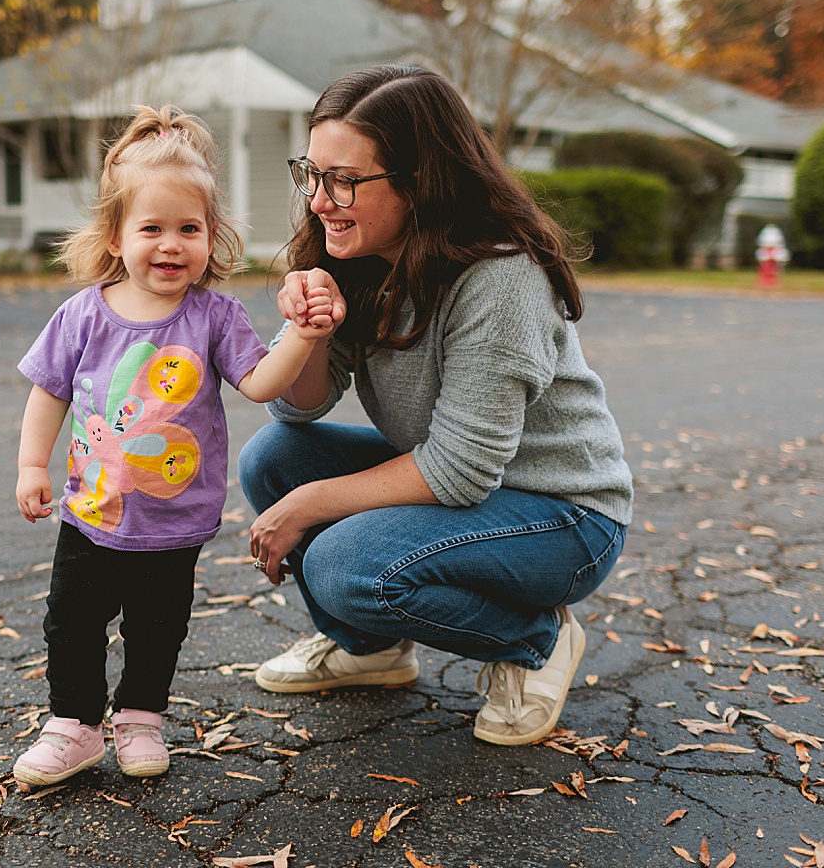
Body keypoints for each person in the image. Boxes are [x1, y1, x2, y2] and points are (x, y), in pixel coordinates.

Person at [239, 65, 633, 746]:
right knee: (274, 459)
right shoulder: (353, 253)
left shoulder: (500, 277)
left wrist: (307, 508)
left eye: (345, 181)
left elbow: (459, 473)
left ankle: (536, 641)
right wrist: (309, 334)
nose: (318, 201)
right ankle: (370, 648)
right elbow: (297, 410)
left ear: (421, 182)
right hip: (463, 489)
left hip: (562, 515)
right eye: (311, 172)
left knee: (341, 562)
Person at [11, 105, 336, 785]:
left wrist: (303, 336)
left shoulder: (213, 316)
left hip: (174, 521)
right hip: (92, 514)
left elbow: (259, 382)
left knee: (157, 630)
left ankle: (139, 719)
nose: (170, 244)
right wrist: (29, 465)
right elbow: (49, 392)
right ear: (115, 234)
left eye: (188, 229)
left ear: (211, 237)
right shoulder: (82, 314)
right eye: (151, 228)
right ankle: (73, 725)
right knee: (70, 623)